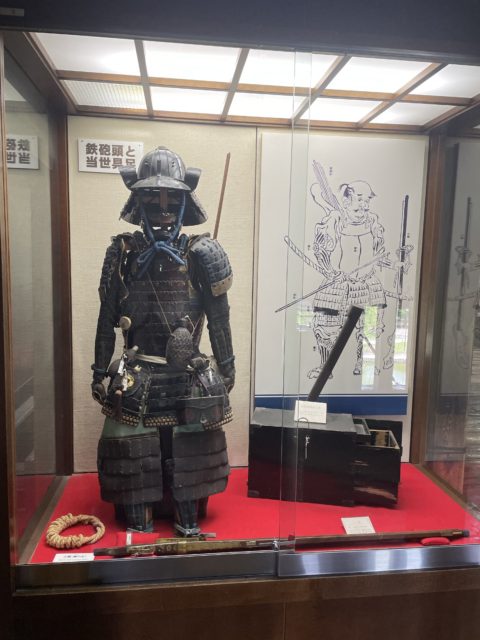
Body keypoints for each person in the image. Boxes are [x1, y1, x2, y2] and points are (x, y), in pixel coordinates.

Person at [90, 147, 235, 536]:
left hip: (189, 374)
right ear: (139, 202)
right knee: (129, 448)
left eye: (172, 198)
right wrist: (99, 371)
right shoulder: (122, 253)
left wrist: (227, 367)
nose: (164, 208)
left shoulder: (202, 253)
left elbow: (219, 319)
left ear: (187, 203)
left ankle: (188, 520)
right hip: (137, 373)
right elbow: (106, 318)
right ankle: (139, 522)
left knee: (193, 451)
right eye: (153, 198)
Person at [309, 173, 387, 378]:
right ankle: (325, 368)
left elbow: (379, 249)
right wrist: (330, 271)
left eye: (367, 201)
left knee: (369, 328)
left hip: (367, 284)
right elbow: (321, 250)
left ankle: (364, 364)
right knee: (325, 327)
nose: (364, 206)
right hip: (339, 283)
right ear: (347, 199)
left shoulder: (372, 221)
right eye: (359, 201)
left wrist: (380, 261)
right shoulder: (335, 220)